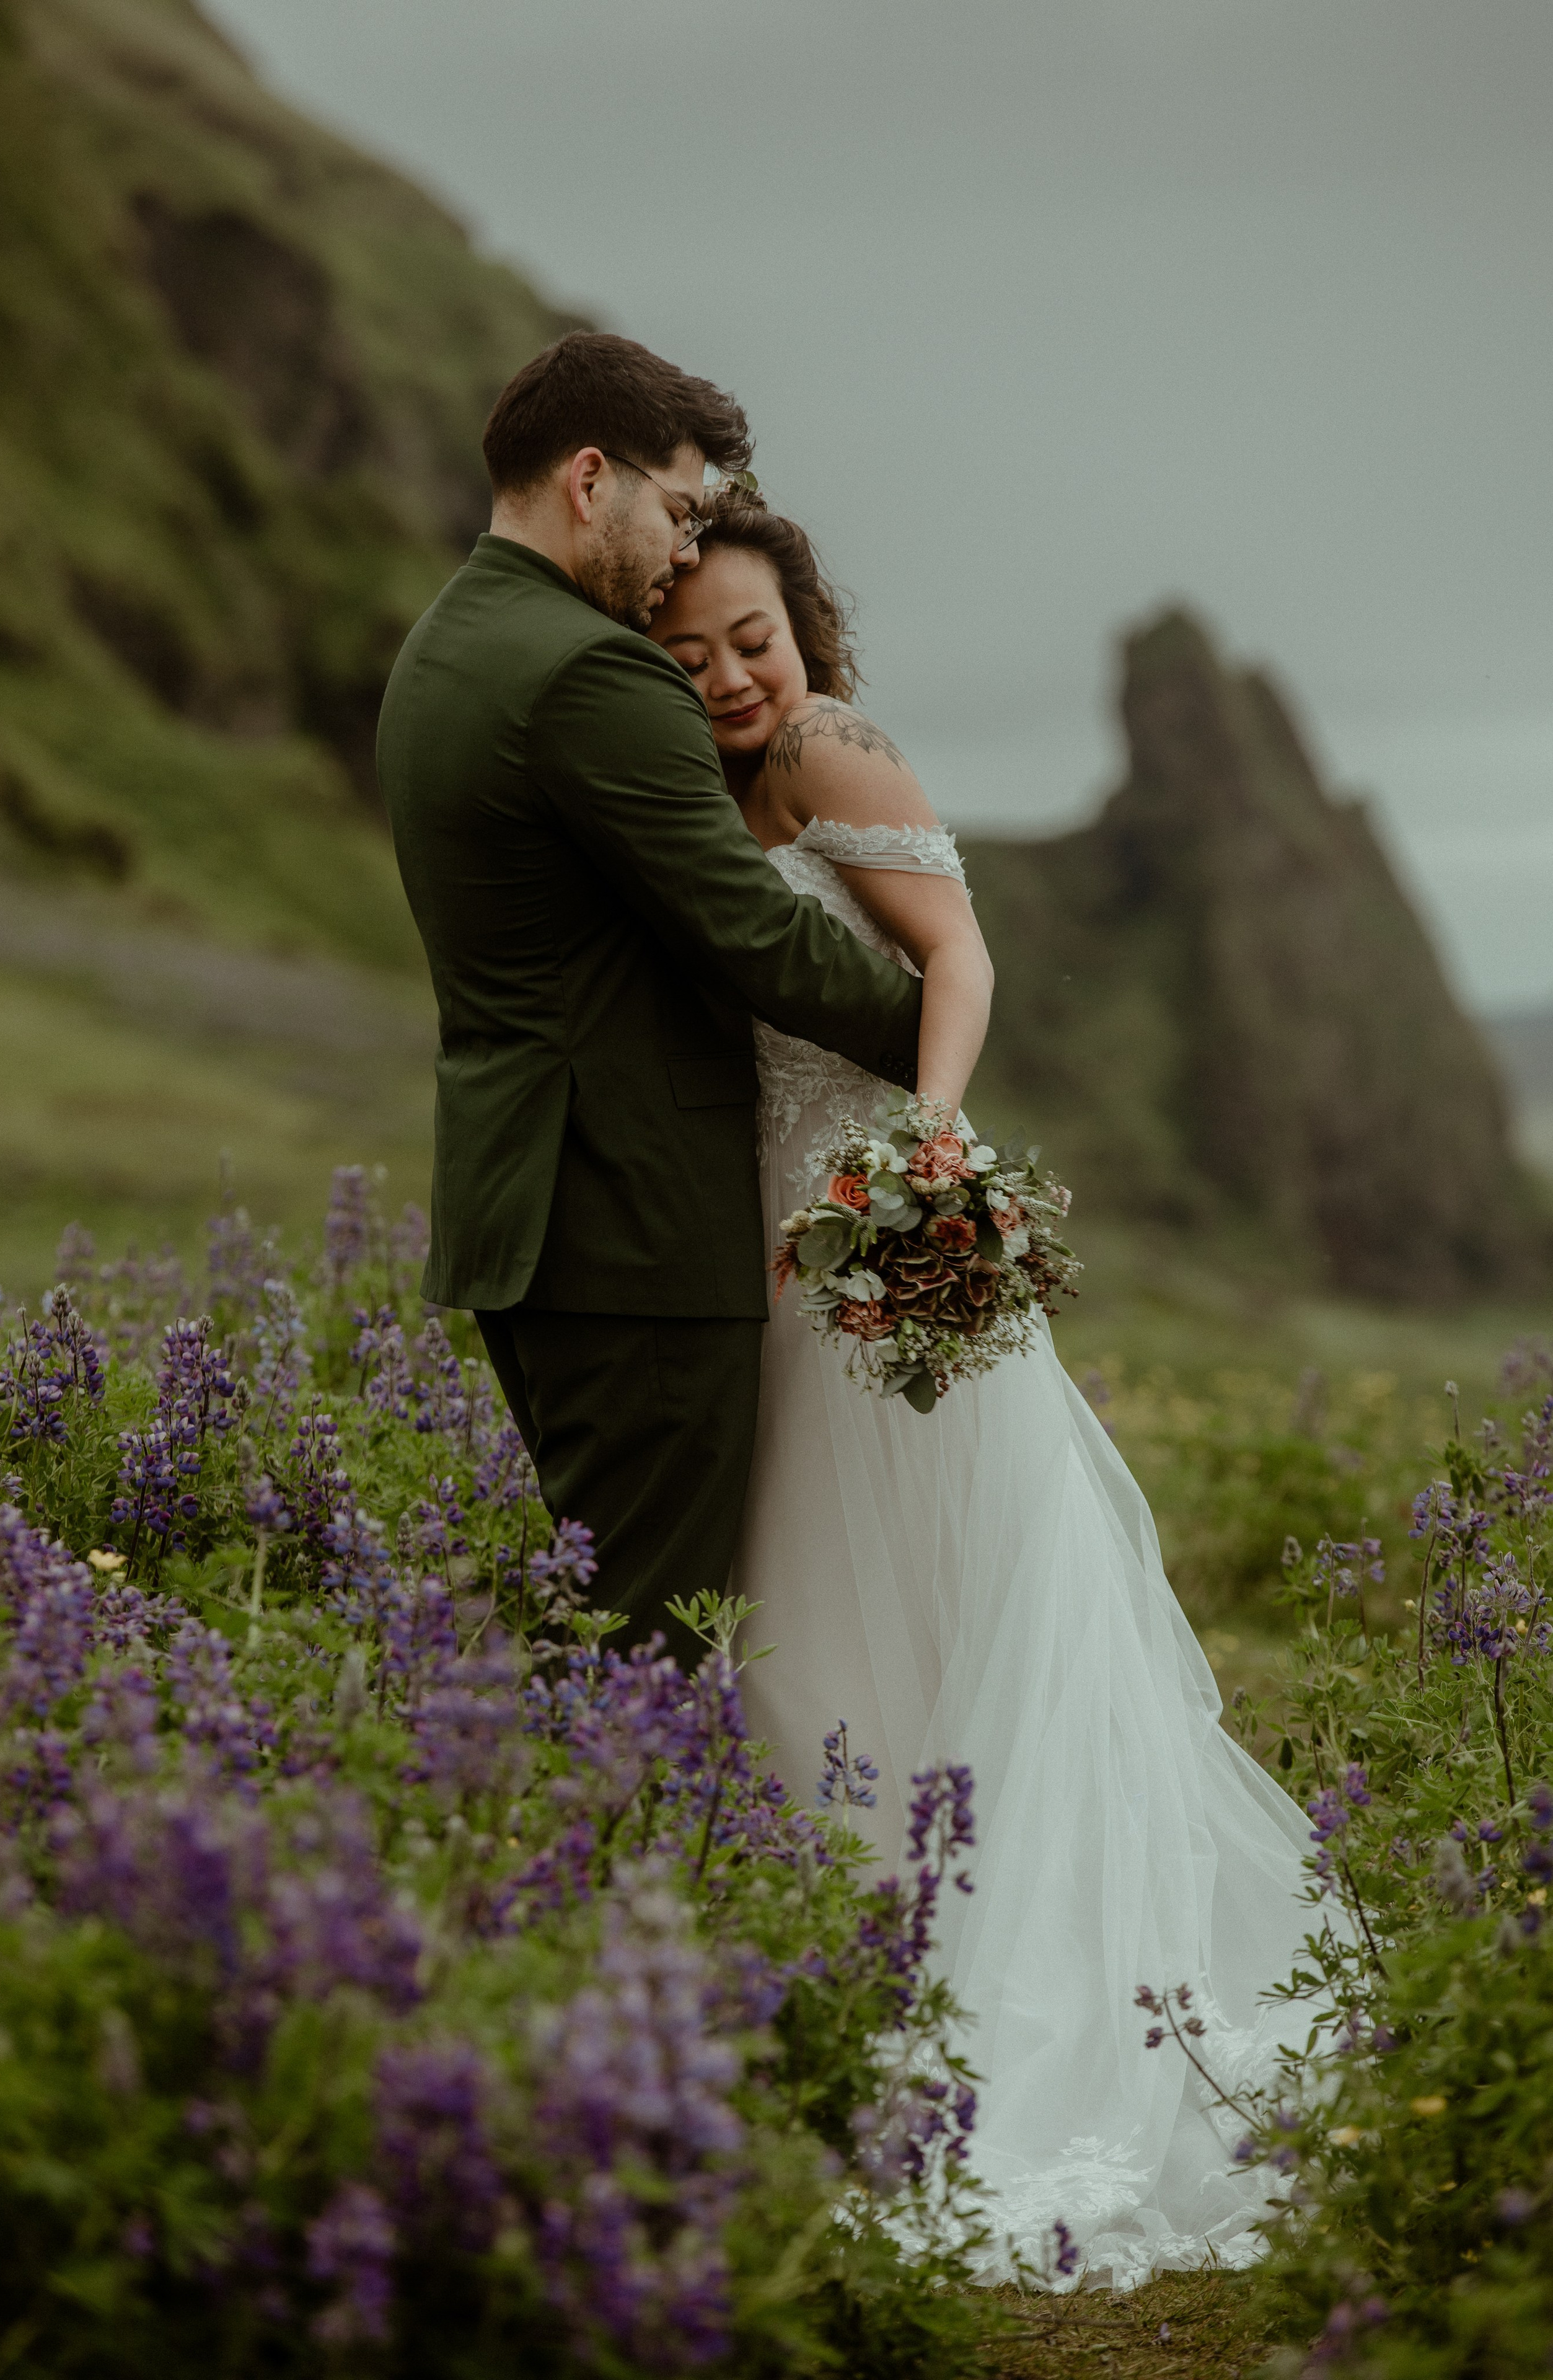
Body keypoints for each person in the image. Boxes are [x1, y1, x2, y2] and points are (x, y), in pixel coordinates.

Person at [649, 498, 1321, 2288]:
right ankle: (876, 1975)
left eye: (754, 638)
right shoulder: (694, 789)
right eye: (692, 649)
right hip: (786, 1284)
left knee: (989, 1606)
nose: (728, 675)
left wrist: (927, 1150)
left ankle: (1037, 2005)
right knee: (829, 1628)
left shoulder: (825, 745)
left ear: (807, 631)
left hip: (888, 1241)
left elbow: (958, 955)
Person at [376, 334, 924, 1668]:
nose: (683, 552)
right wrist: (934, 1033)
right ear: (586, 478)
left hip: (534, 1208)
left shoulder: (443, 649)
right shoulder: (589, 671)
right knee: (653, 1645)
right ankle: (595, 1870)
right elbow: (752, 935)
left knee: (606, 1605)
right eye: (676, 510)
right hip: (633, 1227)